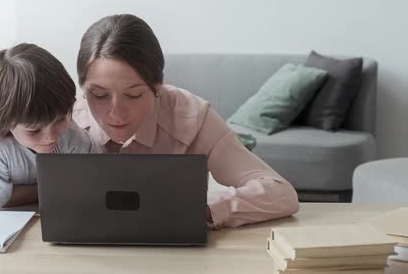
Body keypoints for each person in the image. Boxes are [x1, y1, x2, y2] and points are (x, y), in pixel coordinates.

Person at [73, 14, 299, 228]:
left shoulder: (192, 116)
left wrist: (203, 209)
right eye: (99, 95)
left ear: (157, 86)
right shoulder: (65, 118)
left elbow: (281, 193)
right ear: (82, 87)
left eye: (133, 95)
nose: (116, 113)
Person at [0, 43, 97, 210]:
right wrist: (57, 187)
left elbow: (88, 178)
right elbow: (0, 201)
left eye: (60, 120)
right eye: (34, 130)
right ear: (3, 122)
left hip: (37, 209)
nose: (51, 137)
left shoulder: (70, 134)